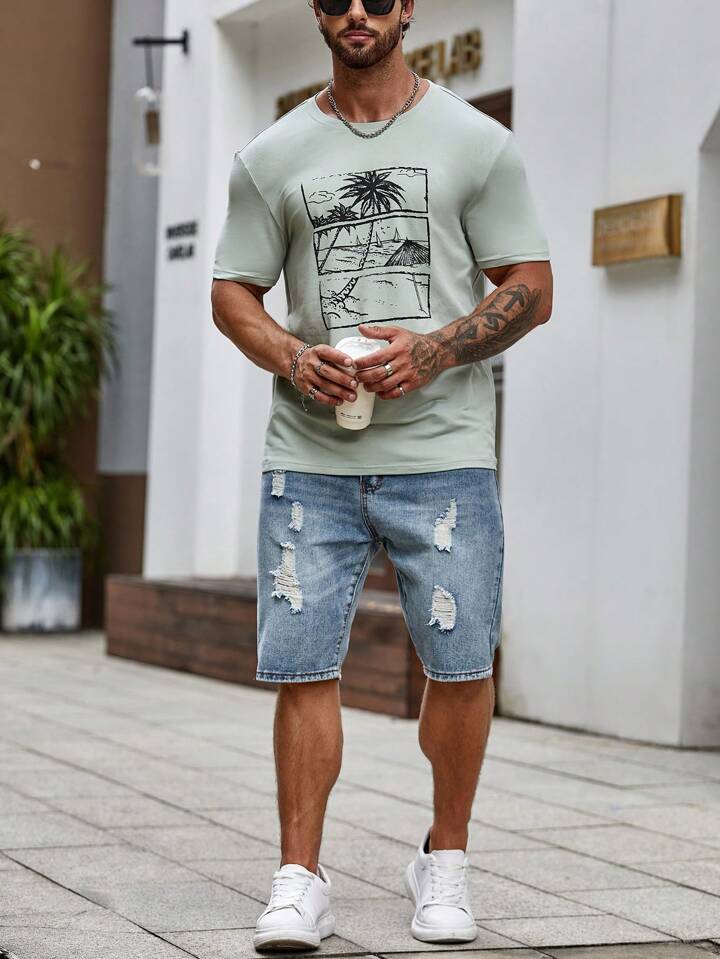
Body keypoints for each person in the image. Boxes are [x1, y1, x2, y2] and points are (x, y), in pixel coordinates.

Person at [210, 0, 553, 949]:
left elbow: (532, 284)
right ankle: (299, 877)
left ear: (408, 8)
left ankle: (446, 860)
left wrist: (437, 348)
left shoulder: (478, 143)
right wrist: (292, 355)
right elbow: (232, 291)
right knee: (302, 664)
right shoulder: (271, 156)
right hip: (310, 454)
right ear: (316, 13)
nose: (355, 10)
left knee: (462, 663)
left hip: (444, 454)